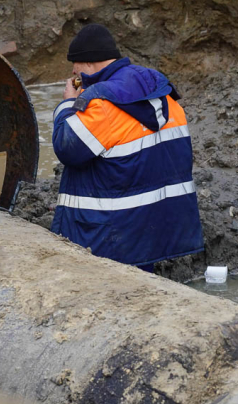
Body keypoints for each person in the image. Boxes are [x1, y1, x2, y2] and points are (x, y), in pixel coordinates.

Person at [50, 23, 204, 271]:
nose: (73, 72)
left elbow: (66, 147)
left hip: (110, 237)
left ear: (88, 64)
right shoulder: (161, 92)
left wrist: (68, 104)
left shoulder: (101, 103)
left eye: (75, 66)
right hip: (153, 230)